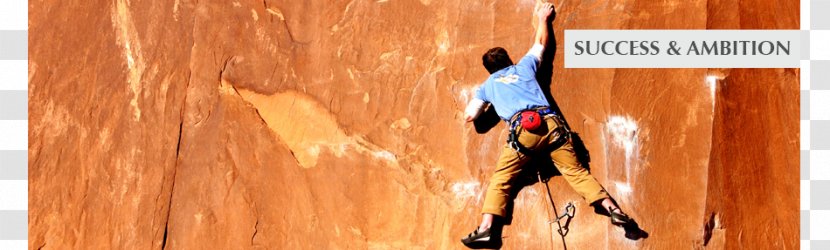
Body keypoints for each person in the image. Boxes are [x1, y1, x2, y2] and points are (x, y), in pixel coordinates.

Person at [460, 2, 632, 248]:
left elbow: (470, 116)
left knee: (501, 179)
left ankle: (487, 228)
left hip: (524, 133)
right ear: (508, 59)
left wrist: (494, 102)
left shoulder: (487, 85)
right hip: (552, 126)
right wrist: (544, 18)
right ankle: (612, 207)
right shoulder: (523, 67)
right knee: (577, 173)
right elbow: (541, 44)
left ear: (489, 70)